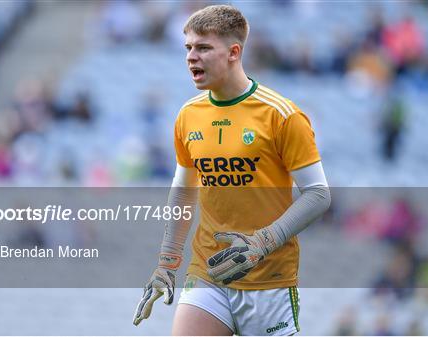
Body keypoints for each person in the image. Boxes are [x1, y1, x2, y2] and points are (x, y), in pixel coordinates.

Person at [133, 5, 331, 336]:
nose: (191, 57)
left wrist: (264, 241)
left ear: (233, 52)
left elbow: (318, 194)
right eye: (188, 48)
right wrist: (167, 261)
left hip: (268, 277)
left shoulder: (281, 115)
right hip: (208, 271)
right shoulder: (188, 115)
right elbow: (184, 189)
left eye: (203, 48)